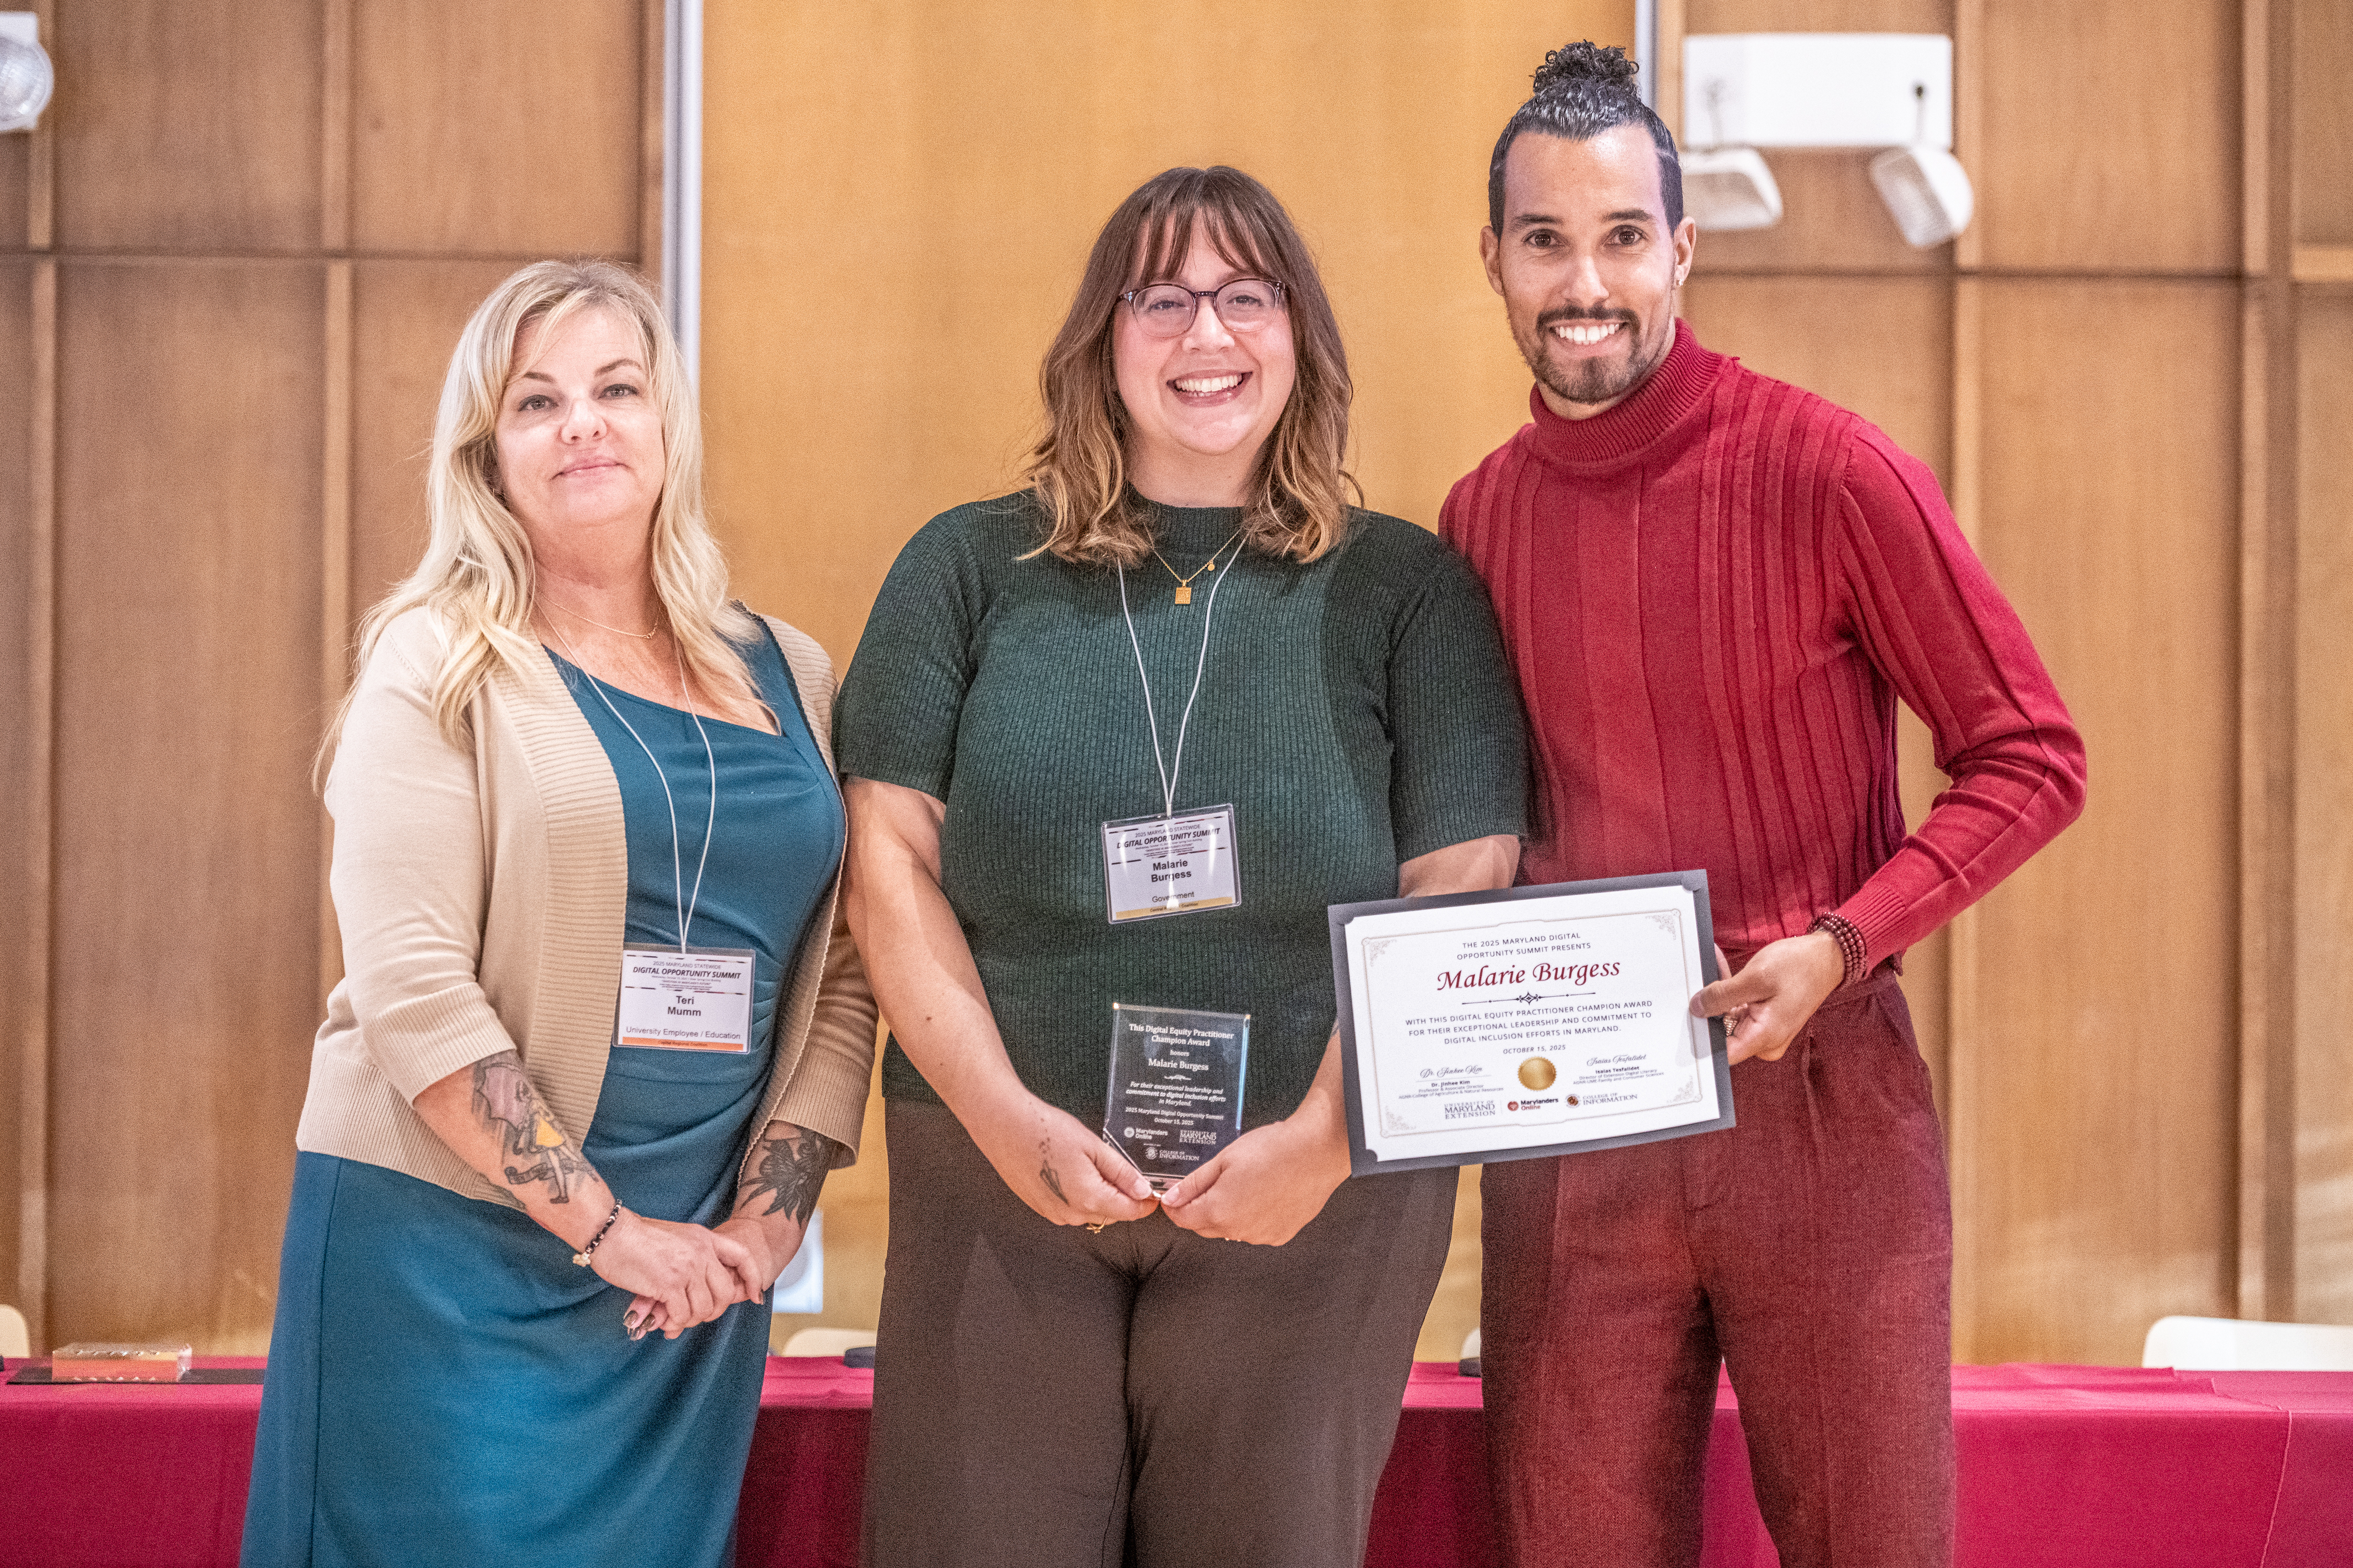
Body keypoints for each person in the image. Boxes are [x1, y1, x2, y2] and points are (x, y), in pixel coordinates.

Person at [1443, 43, 2088, 1568]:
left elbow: (2030, 754)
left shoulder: (1831, 471)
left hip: (1822, 1096)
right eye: (1545, 240)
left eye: (1620, 237)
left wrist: (1845, 941)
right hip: (1572, 1118)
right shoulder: (1477, 520)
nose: (1584, 283)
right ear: (1495, 260)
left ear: (1681, 248)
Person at [835, 165, 1527, 1568]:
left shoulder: (1407, 589)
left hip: (1313, 1191)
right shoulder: (966, 568)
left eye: (1245, 297)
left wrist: (1324, 1139)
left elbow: (1461, 881)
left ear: (1300, 335)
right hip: (996, 1167)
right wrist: (1003, 1117)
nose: (1206, 334)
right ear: (1101, 340)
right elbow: (886, 860)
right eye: (1161, 300)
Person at [239, 260, 875, 1568]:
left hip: (689, 1278)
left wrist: (764, 1228)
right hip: (450, 1263)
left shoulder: (792, 670)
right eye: (536, 401)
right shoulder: (437, 658)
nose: (582, 423)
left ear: (667, 424)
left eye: (616, 389)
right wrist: (606, 1230)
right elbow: (414, 991)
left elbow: (845, 969)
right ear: (488, 454)